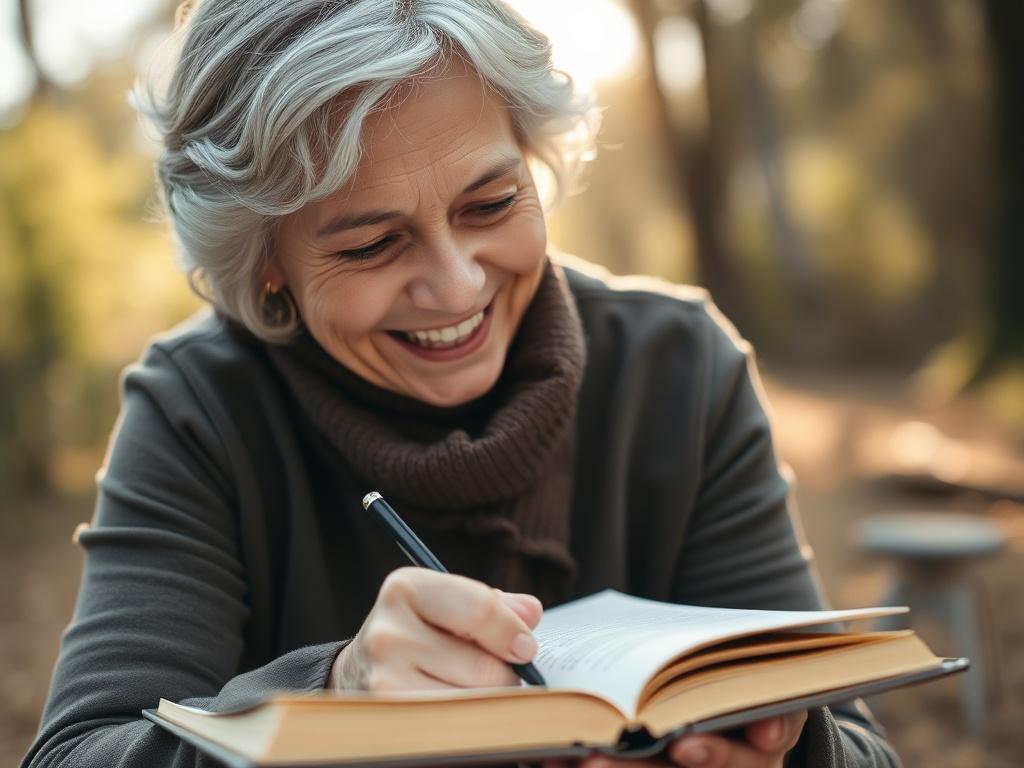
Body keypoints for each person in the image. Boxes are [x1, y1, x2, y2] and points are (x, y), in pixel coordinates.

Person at [24, 1, 900, 767]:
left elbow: (859, 746)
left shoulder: (680, 370)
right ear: (265, 267)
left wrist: (783, 752)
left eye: (491, 205)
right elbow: (78, 751)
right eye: (370, 244)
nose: (457, 287)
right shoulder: (201, 408)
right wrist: (334, 700)